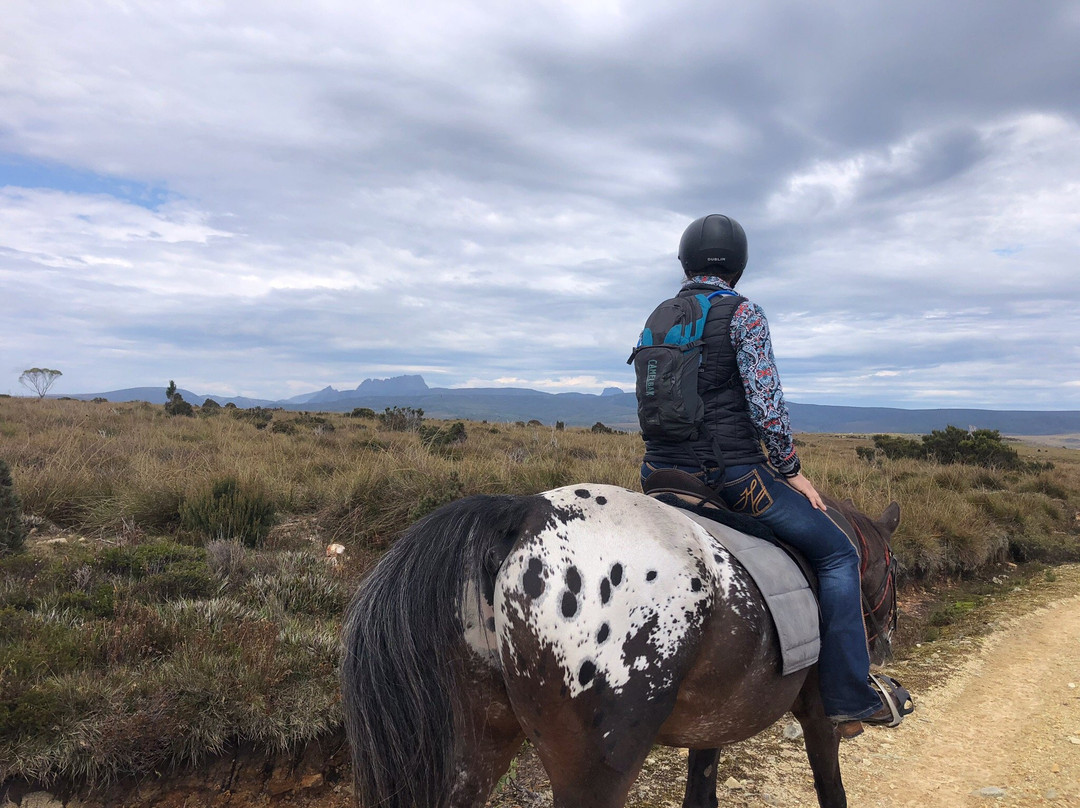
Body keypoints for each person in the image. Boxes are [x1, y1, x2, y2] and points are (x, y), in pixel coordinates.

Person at [638, 213, 907, 736]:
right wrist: (791, 470)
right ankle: (851, 694)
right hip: (733, 479)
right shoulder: (743, 314)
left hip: (659, 476)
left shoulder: (656, 319)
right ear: (738, 265)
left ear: (685, 262)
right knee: (838, 554)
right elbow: (767, 405)